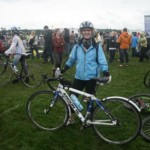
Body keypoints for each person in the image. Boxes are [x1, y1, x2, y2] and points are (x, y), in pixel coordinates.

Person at [61, 21, 111, 125]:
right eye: (84, 31)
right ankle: (71, 118)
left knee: (89, 100)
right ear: (81, 32)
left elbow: (102, 61)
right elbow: (71, 59)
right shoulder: (77, 46)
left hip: (91, 78)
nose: (86, 32)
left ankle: (89, 119)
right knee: (72, 98)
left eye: (88, 30)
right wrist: (63, 69)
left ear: (92, 32)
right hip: (78, 77)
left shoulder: (97, 47)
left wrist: (105, 72)